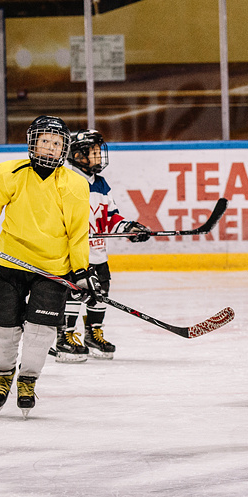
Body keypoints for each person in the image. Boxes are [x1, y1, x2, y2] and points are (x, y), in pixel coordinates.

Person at [0, 115, 97, 417]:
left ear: (64, 149)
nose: (49, 147)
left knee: (41, 332)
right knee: (2, 328)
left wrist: (82, 272)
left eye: (56, 143)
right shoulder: (9, 173)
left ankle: (28, 379)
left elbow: (77, 233)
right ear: (33, 143)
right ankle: (5, 374)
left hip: (52, 269)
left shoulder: (74, 185)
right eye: (44, 141)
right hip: (10, 263)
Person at [56, 129, 150, 362]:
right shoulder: (65, 181)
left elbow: (110, 217)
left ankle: (93, 333)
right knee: (74, 294)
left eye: (99, 152)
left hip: (98, 253)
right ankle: (65, 335)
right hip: (74, 255)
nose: (99, 156)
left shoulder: (100, 183)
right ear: (78, 155)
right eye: (94, 152)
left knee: (101, 292)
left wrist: (128, 229)